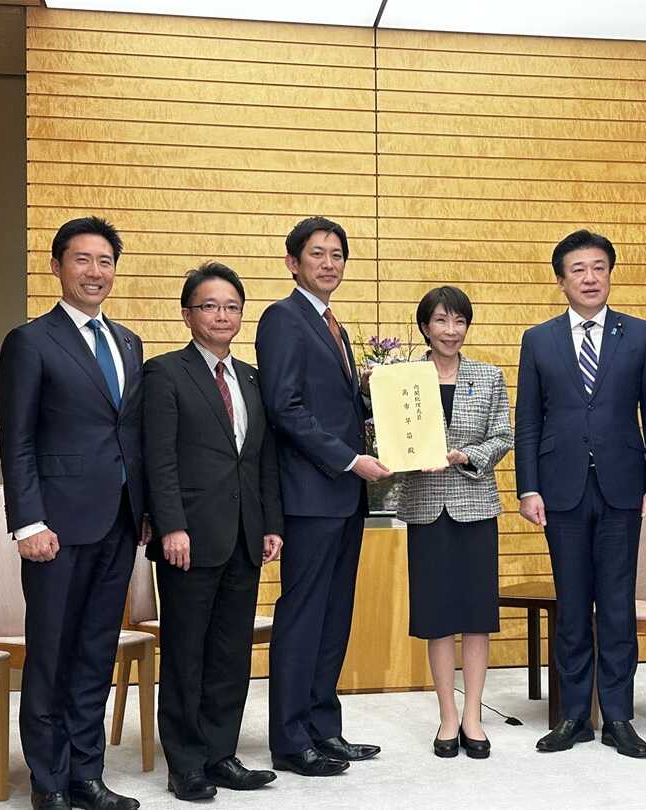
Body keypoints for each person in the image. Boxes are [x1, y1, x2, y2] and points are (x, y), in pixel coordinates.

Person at [0, 217, 145, 810]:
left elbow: (129, 433)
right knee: (52, 655)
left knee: (95, 654)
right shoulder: (30, 341)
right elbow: (17, 438)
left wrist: (145, 510)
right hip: (55, 526)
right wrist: (28, 521)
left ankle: (87, 775)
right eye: (82, 260)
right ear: (56, 266)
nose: (95, 272)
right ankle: (49, 781)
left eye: (105, 261)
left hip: (119, 523)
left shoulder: (128, 342)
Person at [515, 229, 646, 758]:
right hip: (561, 490)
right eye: (578, 269)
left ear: (610, 274)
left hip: (624, 488)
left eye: (599, 267)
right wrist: (528, 487)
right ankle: (575, 716)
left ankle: (619, 717)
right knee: (574, 607)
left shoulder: (640, 334)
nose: (589, 277)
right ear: (561, 281)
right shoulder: (538, 339)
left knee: (618, 608)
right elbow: (528, 420)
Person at [143, 262, 284, 800]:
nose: (222, 315)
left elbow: (262, 458)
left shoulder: (251, 378)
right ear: (187, 314)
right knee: (186, 653)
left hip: (245, 535)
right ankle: (186, 764)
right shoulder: (165, 373)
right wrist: (171, 526)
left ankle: (221, 755)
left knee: (230, 652)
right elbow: (159, 458)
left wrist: (270, 524)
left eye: (231, 307)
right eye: (209, 306)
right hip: (189, 539)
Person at [256, 216, 390, 777]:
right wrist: (349, 459)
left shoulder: (333, 325)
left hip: (345, 497)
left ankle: (323, 728)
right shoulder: (283, 318)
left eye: (337, 255)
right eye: (318, 254)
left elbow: (332, 406)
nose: (329, 263)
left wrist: (376, 400)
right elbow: (284, 407)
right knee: (303, 616)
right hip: (311, 496)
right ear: (293, 263)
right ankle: (290, 741)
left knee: (334, 616)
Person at [396, 286, 513, 760]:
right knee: (438, 618)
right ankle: (447, 715)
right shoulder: (403, 378)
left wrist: (465, 455)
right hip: (426, 508)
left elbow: (502, 435)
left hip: (475, 506)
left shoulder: (487, 376)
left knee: (477, 617)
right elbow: (390, 433)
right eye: (441, 321)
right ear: (425, 327)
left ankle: (473, 717)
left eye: (459, 321)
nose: (451, 330)